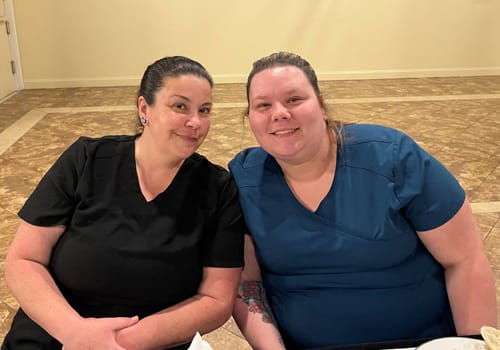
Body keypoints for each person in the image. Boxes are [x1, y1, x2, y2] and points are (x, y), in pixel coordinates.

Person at [229, 51, 497, 349]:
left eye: (294, 99)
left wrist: (473, 344)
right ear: (250, 118)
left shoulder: (393, 158)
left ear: (322, 106)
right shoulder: (244, 179)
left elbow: (465, 260)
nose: (279, 113)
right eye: (263, 105)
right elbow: (247, 286)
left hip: (419, 342)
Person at [2, 56, 245, 350]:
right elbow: (24, 260)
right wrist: (74, 332)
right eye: (180, 106)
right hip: (53, 335)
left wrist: (117, 342)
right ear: (145, 108)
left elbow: (217, 300)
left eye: (204, 110)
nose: (195, 122)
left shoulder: (218, 188)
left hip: (149, 343)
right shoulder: (86, 160)